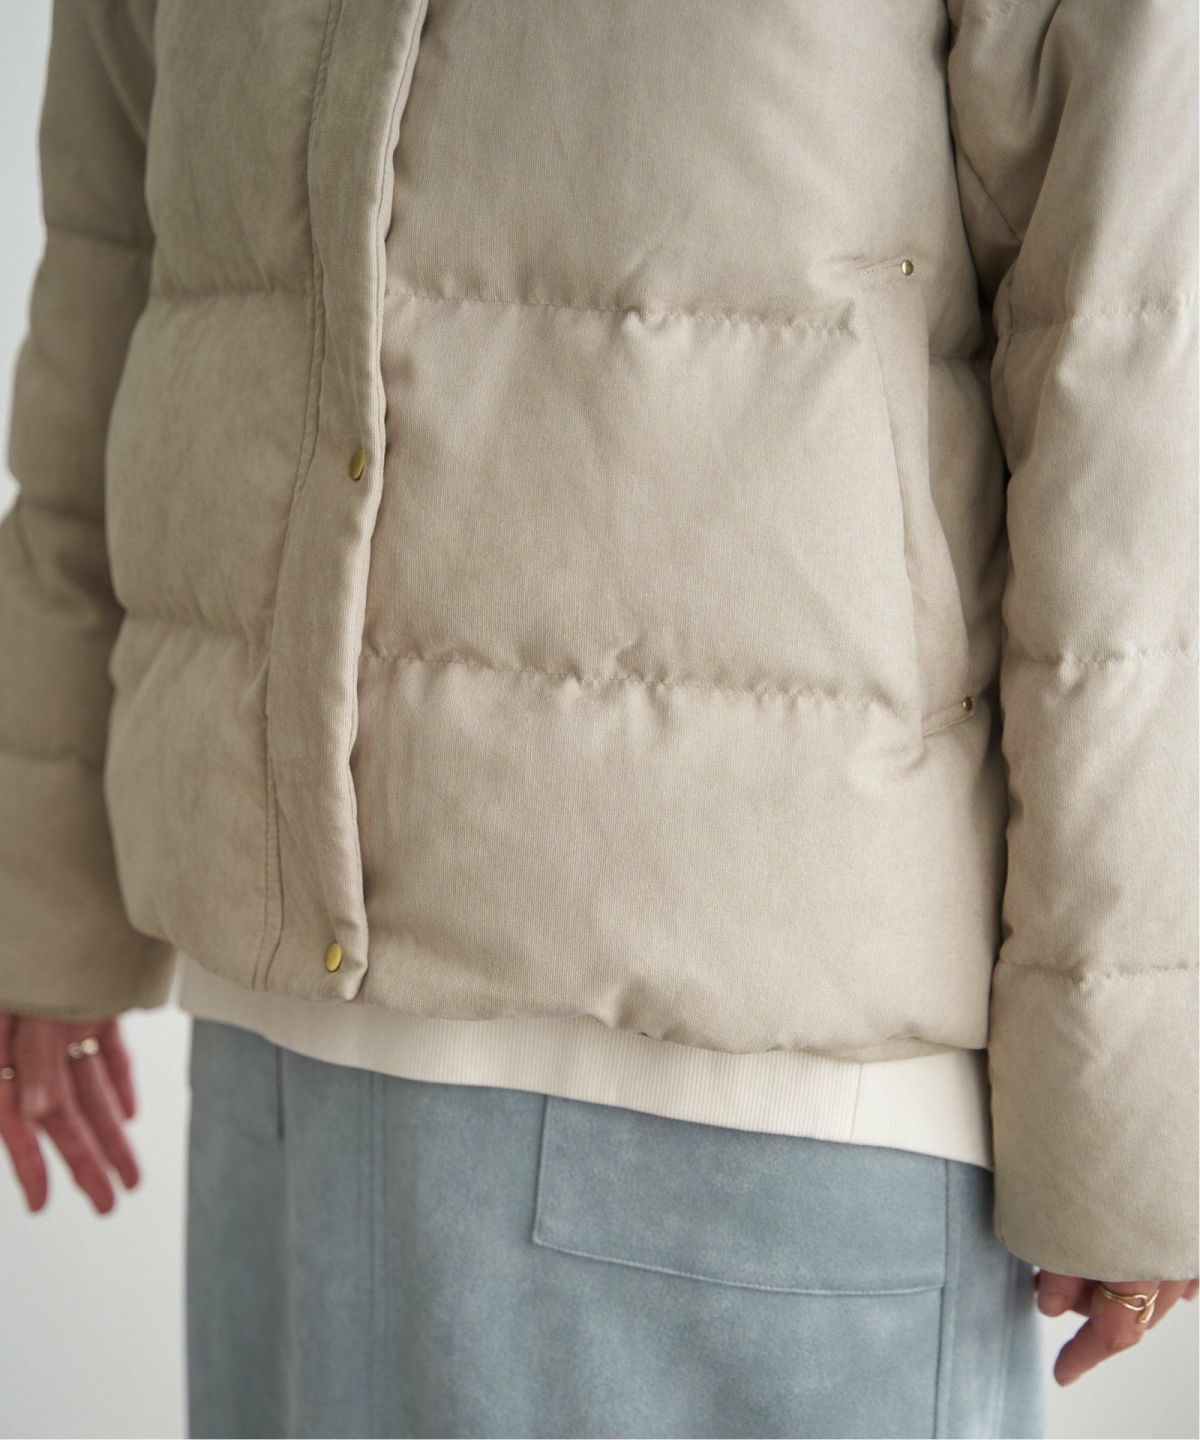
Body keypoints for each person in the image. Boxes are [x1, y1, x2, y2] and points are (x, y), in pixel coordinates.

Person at [0, 1, 1196, 1436]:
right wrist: (43, 894)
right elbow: (116, 265)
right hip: (280, 1043)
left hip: (755, 1100)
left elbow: (1128, 351)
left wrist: (1135, 1088)